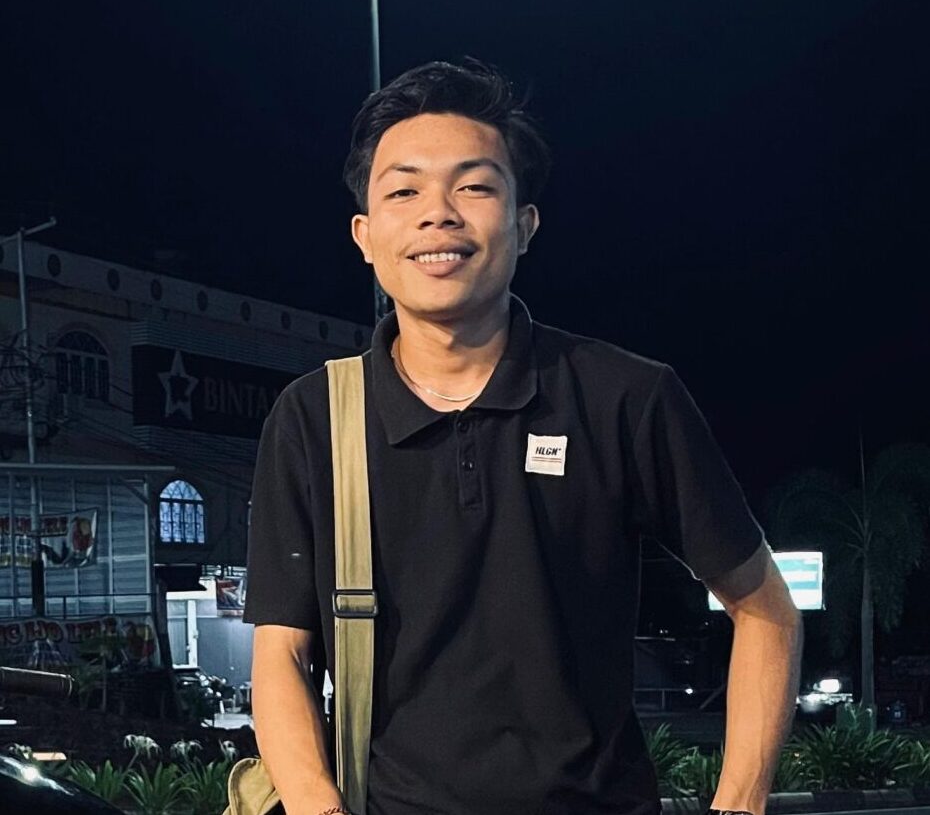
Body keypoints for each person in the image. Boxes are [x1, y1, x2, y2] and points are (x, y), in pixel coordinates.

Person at [243, 59, 803, 815]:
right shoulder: (313, 417)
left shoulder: (625, 397)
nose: (438, 214)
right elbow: (281, 651)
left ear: (525, 224)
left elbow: (765, 608)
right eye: (404, 191)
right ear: (365, 236)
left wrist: (738, 804)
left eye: (474, 186)